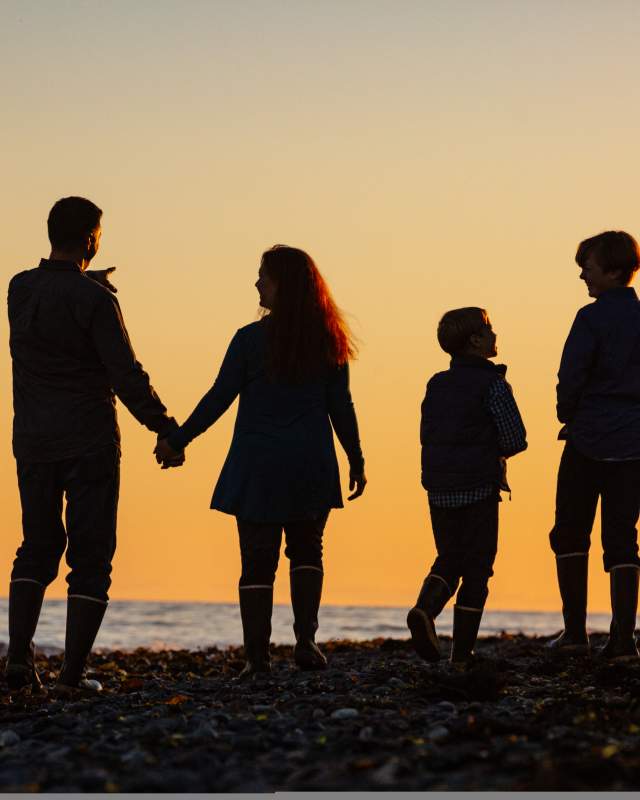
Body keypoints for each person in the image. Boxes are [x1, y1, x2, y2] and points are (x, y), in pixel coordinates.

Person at [155, 245, 366, 678]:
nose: (256, 284)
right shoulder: (329, 339)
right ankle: (306, 641)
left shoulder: (249, 340)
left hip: (259, 462)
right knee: (307, 550)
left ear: (283, 285)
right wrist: (356, 458)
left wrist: (178, 440)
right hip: (310, 459)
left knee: (257, 560)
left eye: (263, 277)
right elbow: (340, 405)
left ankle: (257, 658)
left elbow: (219, 397)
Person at [6, 196, 183, 695]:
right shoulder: (97, 302)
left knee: (37, 547)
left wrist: (88, 282)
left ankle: (18, 660)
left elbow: (54, 301)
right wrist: (165, 426)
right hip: (88, 441)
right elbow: (125, 374)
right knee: (91, 557)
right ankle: (70, 675)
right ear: (90, 238)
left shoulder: (19, 290)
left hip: (33, 441)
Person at [407, 307, 527, 664]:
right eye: (489, 329)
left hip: (439, 487)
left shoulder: (437, 384)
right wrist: (495, 451)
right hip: (478, 487)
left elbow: (427, 433)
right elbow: (515, 438)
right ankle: (462, 653)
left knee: (448, 557)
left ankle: (425, 611)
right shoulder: (493, 383)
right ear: (475, 340)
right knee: (477, 566)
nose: (494, 335)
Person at [549, 231, 640, 660]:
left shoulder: (589, 319)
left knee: (570, 530)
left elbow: (571, 377)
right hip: (634, 441)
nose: (583, 274)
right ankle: (623, 639)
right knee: (622, 537)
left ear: (614, 271)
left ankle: (574, 632)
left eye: (589, 266)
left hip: (587, 439)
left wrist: (568, 415)